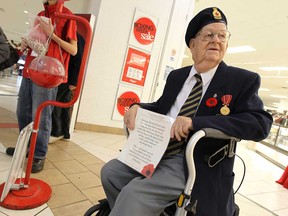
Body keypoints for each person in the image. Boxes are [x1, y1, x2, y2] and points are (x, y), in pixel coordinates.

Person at [100, 7, 273, 216]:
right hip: (157, 149)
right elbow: (162, 107)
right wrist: (138, 106)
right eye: (208, 35)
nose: (216, 40)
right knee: (110, 173)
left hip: (193, 161)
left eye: (222, 35)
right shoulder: (177, 76)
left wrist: (195, 123)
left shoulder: (242, 80)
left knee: (134, 193)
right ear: (192, 44)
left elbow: (260, 123)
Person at [6, 0, 77, 173]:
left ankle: (38, 154)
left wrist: (51, 34)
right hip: (31, 69)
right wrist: (26, 42)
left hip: (49, 74)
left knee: (41, 115)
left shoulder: (68, 16)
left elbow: (73, 50)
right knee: (23, 112)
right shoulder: (40, 15)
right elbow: (36, 41)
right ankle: (25, 148)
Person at [49, 32, 85, 143]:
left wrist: (74, 81)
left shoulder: (75, 37)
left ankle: (57, 131)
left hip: (67, 76)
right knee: (63, 104)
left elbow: (79, 60)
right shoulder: (73, 36)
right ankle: (64, 133)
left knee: (56, 102)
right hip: (64, 75)